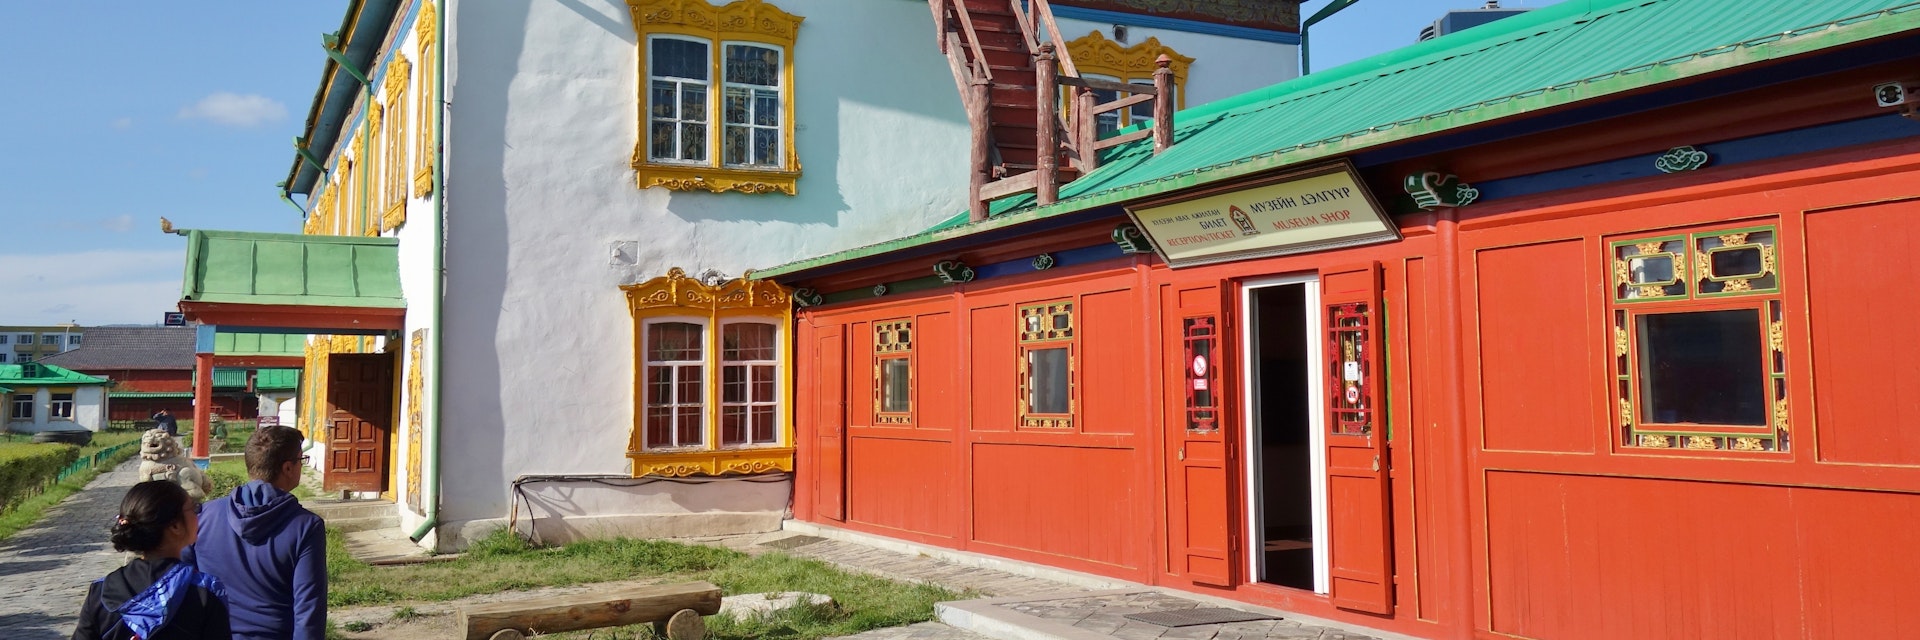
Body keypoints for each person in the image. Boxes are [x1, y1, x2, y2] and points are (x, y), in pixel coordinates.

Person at [182, 425, 326, 640]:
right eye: (301, 460)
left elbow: (181, 585)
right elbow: (308, 609)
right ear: (288, 468)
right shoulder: (305, 526)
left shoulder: (203, 516)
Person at [73, 480, 231, 640]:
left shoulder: (101, 591)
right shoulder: (205, 590)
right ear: (175, 526)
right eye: (194, 508)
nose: (198, 514)